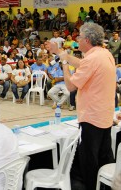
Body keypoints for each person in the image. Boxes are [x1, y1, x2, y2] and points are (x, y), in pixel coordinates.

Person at [45, 22, 116, 190]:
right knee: (104, 156)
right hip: (104, 115)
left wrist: (64, 62)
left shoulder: (92, 58)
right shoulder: (104, 54)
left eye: (80, 37)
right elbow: (83, 65)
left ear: (88, 40)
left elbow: (70, 87)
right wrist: (62, 53)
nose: (77, 40)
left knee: (89, 161)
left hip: (92, 118)